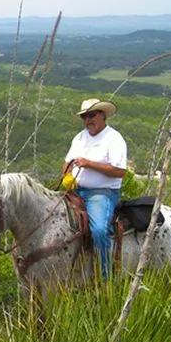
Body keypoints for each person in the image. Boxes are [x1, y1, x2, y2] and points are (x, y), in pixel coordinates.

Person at [62, 98, 128, 279]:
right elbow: (68, 161)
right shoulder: (80, 137)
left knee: (98, 229)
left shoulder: (114, 139)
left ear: (102, 115)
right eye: (85, 116)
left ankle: (106, 276)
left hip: (102, 192)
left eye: (91, 115)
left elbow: (120, 171)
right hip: (77, 190)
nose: (88, 120)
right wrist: (66, 176)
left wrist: (89, 164)